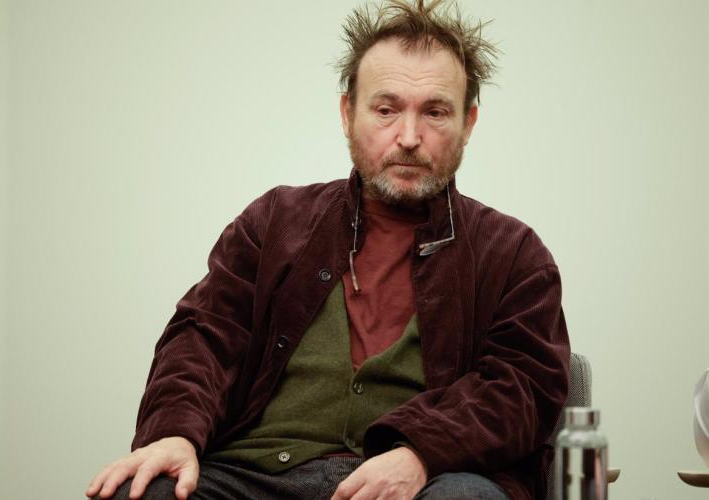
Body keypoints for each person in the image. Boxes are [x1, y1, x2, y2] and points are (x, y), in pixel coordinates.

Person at [87, 1, 570, 499]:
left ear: (468, 123)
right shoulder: (274, 221)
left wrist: (421, 453)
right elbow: (204, 337)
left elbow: (524, 387)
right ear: (347, 113)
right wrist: (175, 432)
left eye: (435, 112)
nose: (408, 137)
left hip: (426, 481)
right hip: (253, 477)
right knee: (145, 490)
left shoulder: (515, 255)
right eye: (386, 110)